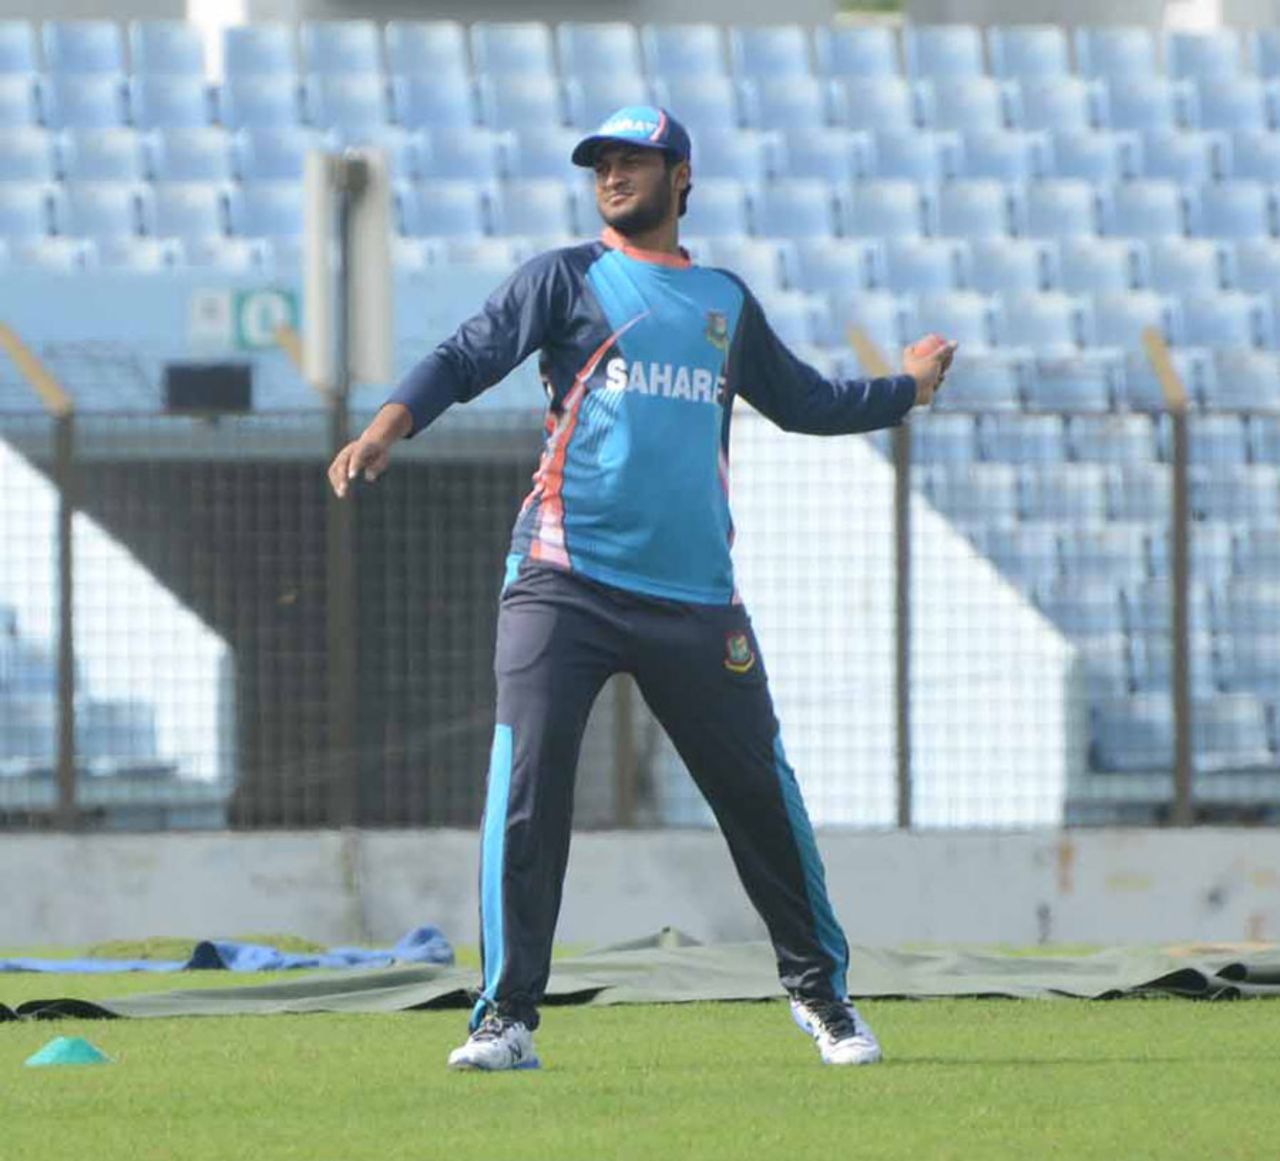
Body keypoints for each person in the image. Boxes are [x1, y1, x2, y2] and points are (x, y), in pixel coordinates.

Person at [327, 106, 956, 1071]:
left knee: (757, 796)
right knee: (526, 787)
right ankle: (505, 1019)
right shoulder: (568, 278)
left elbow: (805, 403)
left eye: (635, 161)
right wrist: (388, 424)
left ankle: (823, 997)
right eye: (602, 165)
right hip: (562, 579)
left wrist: (905, 389)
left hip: (694, 600)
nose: (614, 176)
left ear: (682, 175)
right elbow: (466, 353)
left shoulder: (722, 301)